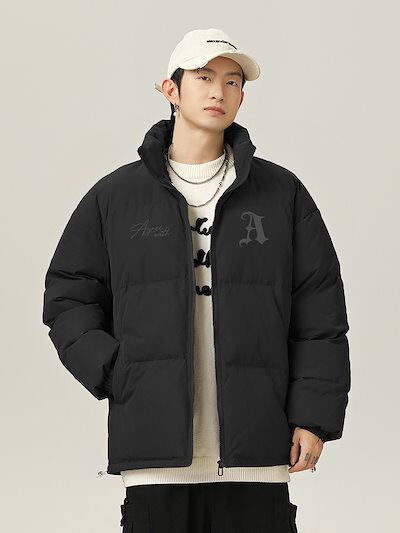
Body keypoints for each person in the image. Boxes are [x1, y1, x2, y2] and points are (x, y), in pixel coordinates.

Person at [42, 28, 351, 532]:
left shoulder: (282, 194)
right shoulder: (115, 197)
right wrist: (120, 373)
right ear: (171, 90)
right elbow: (67, 297)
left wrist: (313, 416)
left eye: (232, 82)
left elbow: (320, 312)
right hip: (154, 456)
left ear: (242, 97)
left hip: (259, 451)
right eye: (204, 78)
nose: (218, 91)